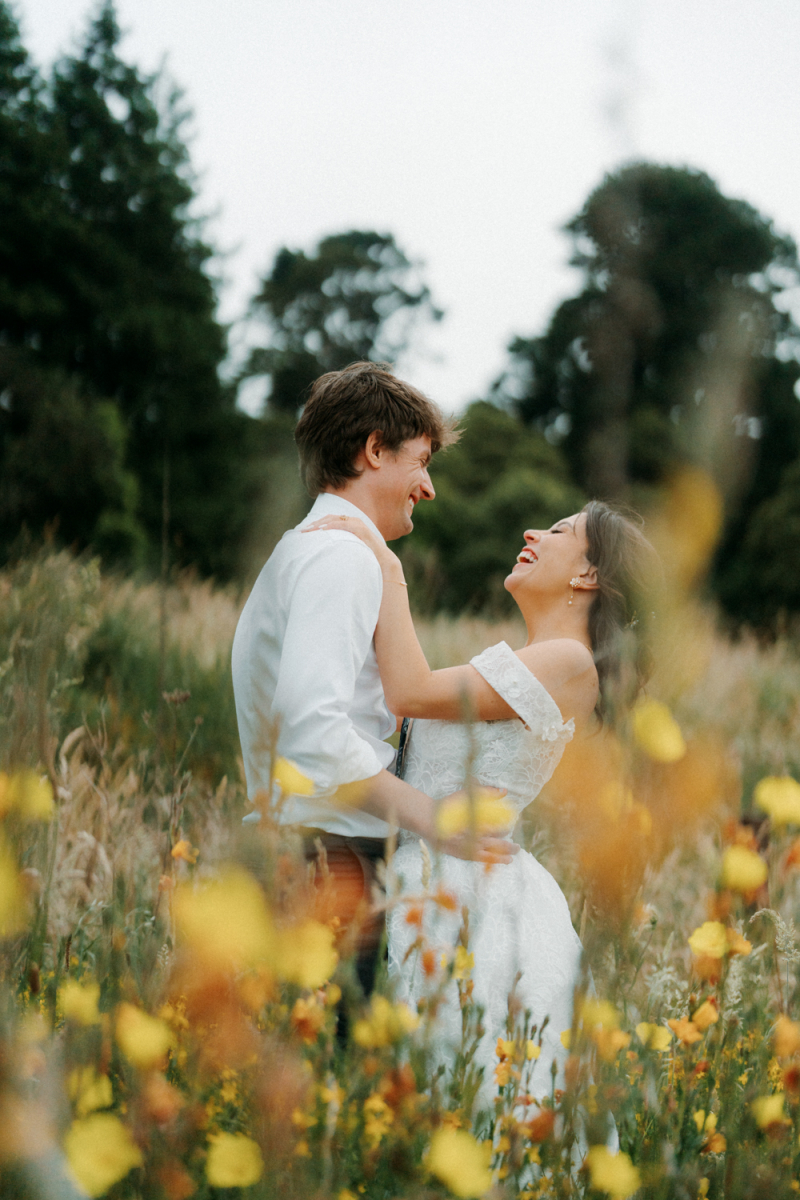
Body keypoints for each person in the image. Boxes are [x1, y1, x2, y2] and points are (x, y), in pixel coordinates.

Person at [304, 499, 652, 1109]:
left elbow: (409, 691)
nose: (533, 530)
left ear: (588, 574)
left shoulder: (570, 662)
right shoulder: (534, 660)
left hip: (465, 891)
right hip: (428, 872)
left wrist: (385, 563)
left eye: (560, 530)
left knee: (455, 1081)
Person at [231, 362, 517, 1002]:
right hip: (325, 863)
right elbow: (314, 730)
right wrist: (435, 820)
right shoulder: (341, 558)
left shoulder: (306, 550)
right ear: (374, 450)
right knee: (330, 1054)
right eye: (422, 462)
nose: (429, 488)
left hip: (303, 851)